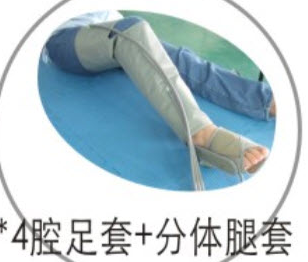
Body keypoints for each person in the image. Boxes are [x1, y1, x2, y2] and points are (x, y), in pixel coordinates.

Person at [45, 10, 274, 181]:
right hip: (66, 36)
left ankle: (264, 100)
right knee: (132, 30)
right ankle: (200, 134)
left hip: (109, 21)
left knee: (179, 59)